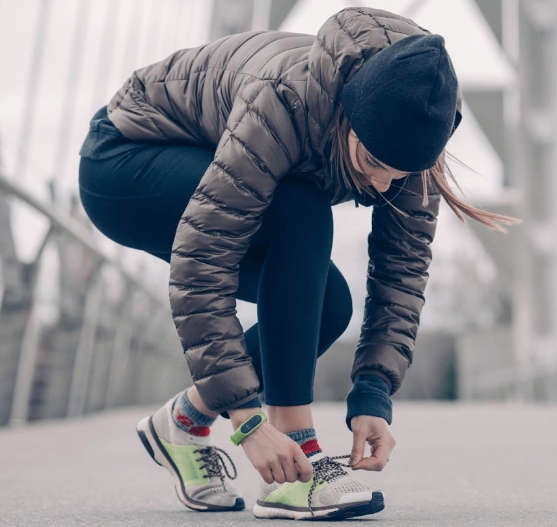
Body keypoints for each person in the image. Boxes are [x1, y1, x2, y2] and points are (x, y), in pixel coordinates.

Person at [77, 6, 515, 521]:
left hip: (210, 171)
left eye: (400, 174)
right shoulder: (284, 101)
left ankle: (183, 421)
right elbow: (202, 262)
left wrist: (373, 393)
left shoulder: (418, 128)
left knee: (326, 305)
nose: (382, 185)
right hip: (125, 161)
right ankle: (297, 453)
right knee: (300, 207)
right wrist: (246, 421)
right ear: (349, 119)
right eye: (373, 163)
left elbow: (402, 271)